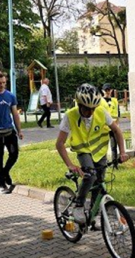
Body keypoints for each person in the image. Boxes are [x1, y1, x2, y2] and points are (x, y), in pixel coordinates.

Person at [55, 83, 128, 225]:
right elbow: (59, 144)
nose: (90, 112)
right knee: (90, 174)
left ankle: (93, 217)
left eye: (92, 109)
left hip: (99, 151)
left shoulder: (101, 112)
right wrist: (70, 164)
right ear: (79, 104)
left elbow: (117, 131)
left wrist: (122, 152)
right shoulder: (70, 116)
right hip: (83, 152)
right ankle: (79, 205)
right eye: (87, 109)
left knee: (100, 184)